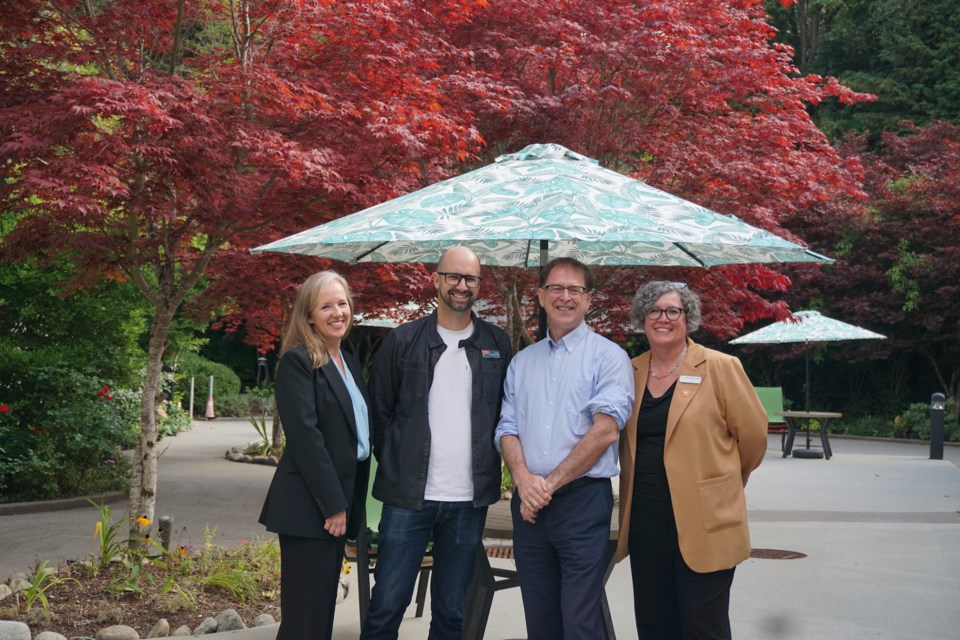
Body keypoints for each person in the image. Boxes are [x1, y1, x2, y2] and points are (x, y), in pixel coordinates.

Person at [361, 245, 513, 640]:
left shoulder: (497, 345)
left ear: (480, 285)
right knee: (387, 606)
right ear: (436, 279)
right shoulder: (403, 341)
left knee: (451, 613)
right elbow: (380, 415)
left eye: (471, 279)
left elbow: (506, 413)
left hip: (468, 500)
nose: (462, 286)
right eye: (454, 277)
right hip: (408, 497)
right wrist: (399, 463)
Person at [615, 281, 768, 639]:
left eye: (673, 311)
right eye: (654, 310)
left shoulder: (720, 367)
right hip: (646, 522)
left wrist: (726, 480)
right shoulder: (629, 371)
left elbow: (755, 436)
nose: (663, 318)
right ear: (642, 318)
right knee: (654, 625)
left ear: (688, 318)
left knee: (703, 628)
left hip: (705, 520)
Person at [495, 257, 634, 640]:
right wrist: (524, 481)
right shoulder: (522, 362)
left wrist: (546, 485)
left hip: (582, 504)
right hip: (529, 509)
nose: (565, 297)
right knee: (539, 618)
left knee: (579, 619)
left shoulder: (610, 358)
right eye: (556, 288)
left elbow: (605, 431)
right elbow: (507, 427)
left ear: (590, 299)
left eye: (576, 289)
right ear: (540, 296)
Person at [258, 270, 371, 639]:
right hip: (311, 509)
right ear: (308, 316)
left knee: (319, 611)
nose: (337, 312)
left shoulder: (349, 363)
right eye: (326, 306)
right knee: (305, 619)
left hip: (337, 506)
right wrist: (333, 505)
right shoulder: (298, 362)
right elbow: (306, 438)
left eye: (342, 303)